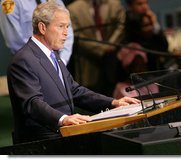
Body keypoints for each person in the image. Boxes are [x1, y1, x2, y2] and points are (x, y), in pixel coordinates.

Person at [7, 1, 140, 144]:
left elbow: (74, 91)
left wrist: (114, 102)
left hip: (63, 136)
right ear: (42, 27)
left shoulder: (53, 55)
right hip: (41, 141)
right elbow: (33, 103)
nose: (66, 33)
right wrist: (63, 119)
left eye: (67, 27)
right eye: (61, 27)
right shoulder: (24, 60)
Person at [67, 0, 125, 96]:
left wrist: (111, 45)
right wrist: (102, 49)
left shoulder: (114, 4)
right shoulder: (73, 9)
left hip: (113, 62)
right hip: (87, 62)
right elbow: (77, 36)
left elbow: (121, 26)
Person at [0, 0, 73, 65]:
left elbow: (67, 30)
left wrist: (62, 60)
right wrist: (43, 63)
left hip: (58, 60)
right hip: (29, 64)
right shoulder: (9, 2)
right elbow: (15, 41)